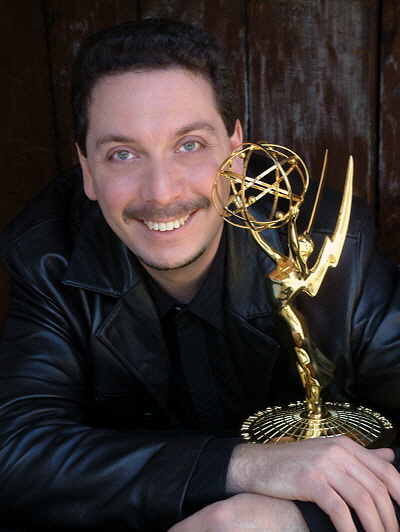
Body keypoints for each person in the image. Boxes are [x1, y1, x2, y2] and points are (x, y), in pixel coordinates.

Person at [0, 18, 400, 532]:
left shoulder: (329, 245)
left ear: (235, 152)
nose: (162, 191)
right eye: (123, 154)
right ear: (86, 170)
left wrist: (276, 519)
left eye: (189, 144)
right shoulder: (48, 255)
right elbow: (16, 450)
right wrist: (242, 467)